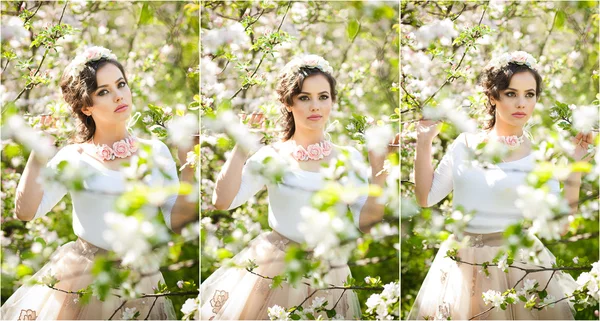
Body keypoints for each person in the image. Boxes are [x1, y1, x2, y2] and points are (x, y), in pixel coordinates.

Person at [1, 46, 196, 320]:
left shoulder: (156, 152)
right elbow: (27, 212)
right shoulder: (73, 156)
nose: (118, 95)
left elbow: (177, 225)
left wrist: (190, 168)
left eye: (121, 84)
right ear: (86, 106)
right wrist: (39, 149)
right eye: (103, 91)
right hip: (82, 278)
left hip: (139, 280)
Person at [200, 54, 398, 320]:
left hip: (329, 272)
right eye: (304, 97)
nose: (315, 106)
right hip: (274, 267)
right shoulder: (272, 155)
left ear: (332, 101)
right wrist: (241, 147)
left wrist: (379, 169)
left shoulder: (348, 158)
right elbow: (223, 201)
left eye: (323, 97)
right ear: (288, 103)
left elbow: (368, 222)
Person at [408, 51, 594, 319]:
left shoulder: (540, 156)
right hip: (462, 265)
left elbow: (562, 224)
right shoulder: (465, 144)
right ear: (493, 97)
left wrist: (576, 167)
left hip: (518, 266)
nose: (521, 103)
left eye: (529, 94)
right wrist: (424, 142)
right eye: (511, 93)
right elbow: (425, 198)